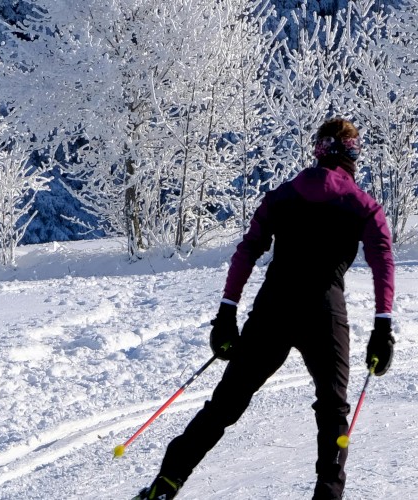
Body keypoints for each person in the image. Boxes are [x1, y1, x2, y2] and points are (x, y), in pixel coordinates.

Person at [135, 117, 397, 500]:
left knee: (226, 402)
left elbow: (246, 252)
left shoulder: (281, 195)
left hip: (273, 308)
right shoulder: (363, 206)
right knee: (332, 410)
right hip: (324, 312)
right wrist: (382, 327)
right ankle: (327, 494)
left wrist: (227, 313)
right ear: (351, 155)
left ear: (318, 151)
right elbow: (383, 263)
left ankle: (167, 481)